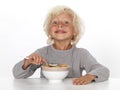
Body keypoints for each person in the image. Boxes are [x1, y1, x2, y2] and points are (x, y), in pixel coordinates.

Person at [12, 5, 109, 85]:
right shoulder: (42, 53)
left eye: (66, 22)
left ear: (75, 31)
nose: (60, 25)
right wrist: (27, 62)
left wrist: (90, 76)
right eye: (55, 22)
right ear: (49, 30)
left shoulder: (81, 54)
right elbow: (16, 74)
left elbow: (103, 70)